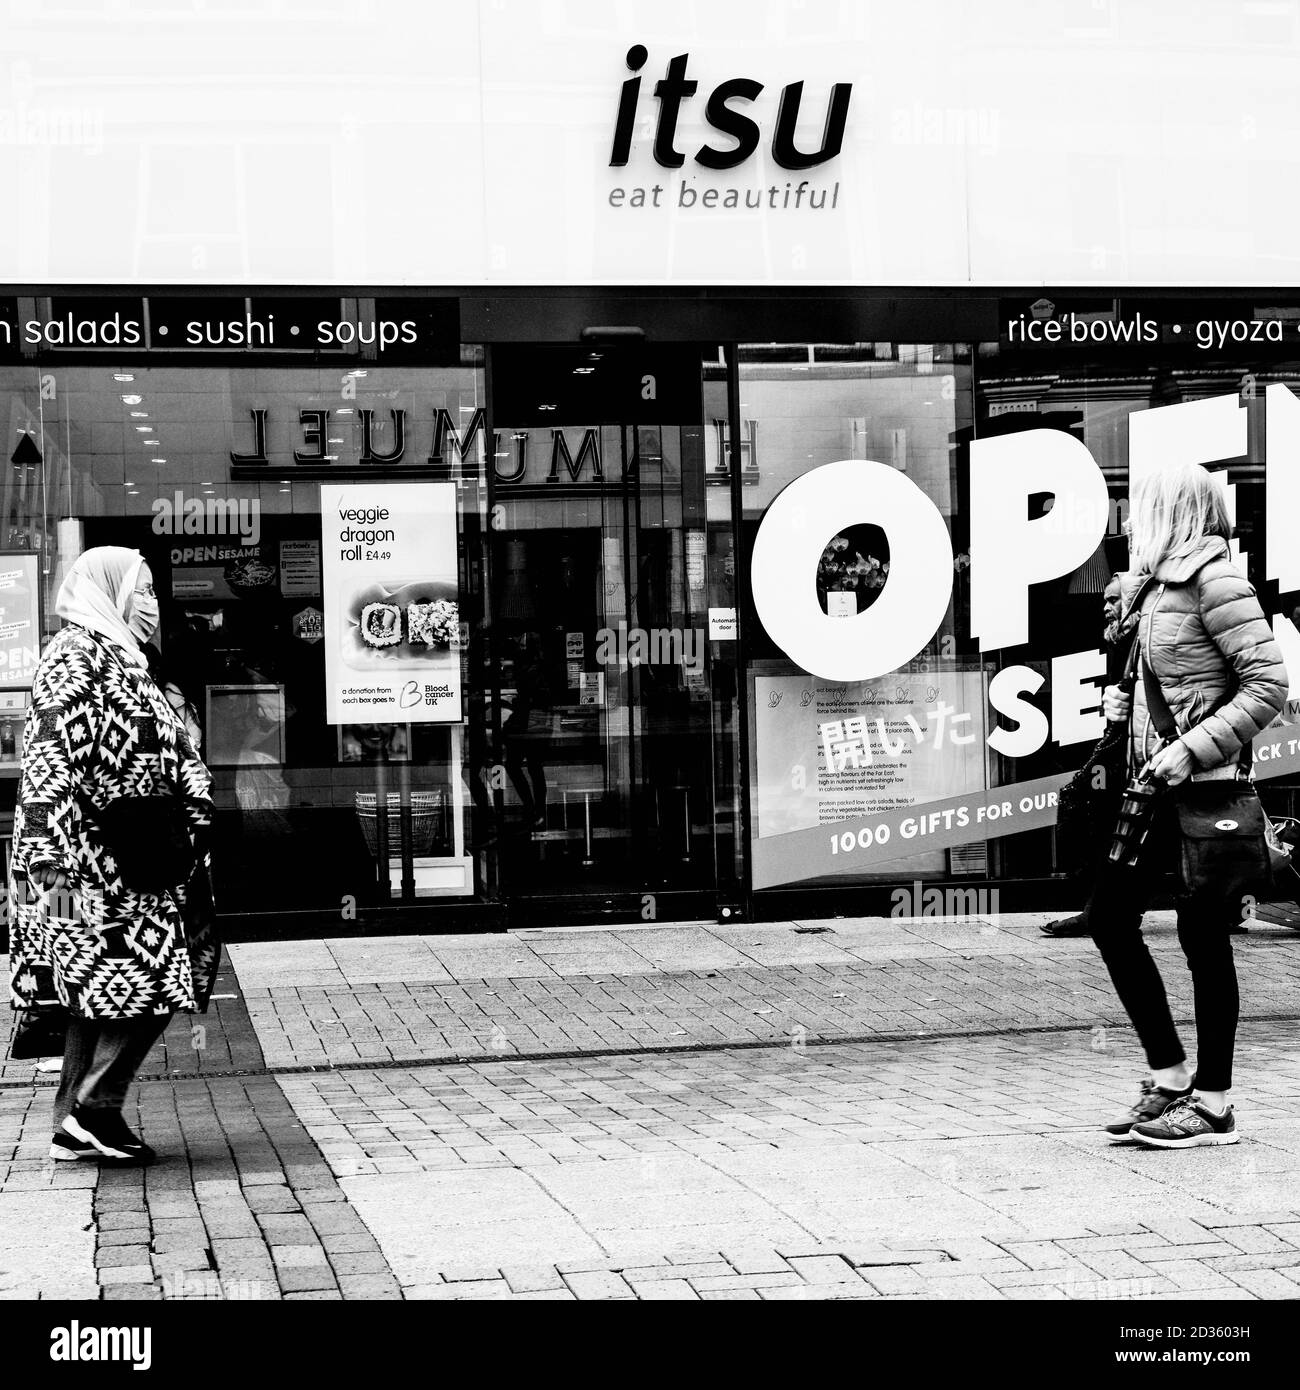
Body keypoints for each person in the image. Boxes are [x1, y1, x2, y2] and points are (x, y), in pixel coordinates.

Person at [1090, 462, 1286, 1148]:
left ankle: (1213, 1102)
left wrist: (1192, 748)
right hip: (1150, 791)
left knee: (1203, 941)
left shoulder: (1218, 581)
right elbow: (1165, 683)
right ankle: (1170, 1076)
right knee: (1109, 918)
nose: (1130, 521)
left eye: (1140, 507)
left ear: (1170, 510)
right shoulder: (1154, 589)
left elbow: (1267, 688)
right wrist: (1120, 707)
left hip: (1202, 794)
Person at [6, 547, 217, 1165]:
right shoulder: (76, 657)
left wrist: (194, 797)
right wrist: (46, 870)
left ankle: (79, 1119)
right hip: (92, 865)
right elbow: (47, 759)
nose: (154, 605)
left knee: (97, 995)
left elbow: (166, 746)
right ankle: (93, 1108)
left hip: (137, 857)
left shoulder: (123, 659)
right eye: (144, 591)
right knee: (149, 984)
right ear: (110, 592)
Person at [1041, 575, 1139, 937]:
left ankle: (1098, 907)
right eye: (1105, 599)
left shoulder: (1144, 638)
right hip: (1123, 743)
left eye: (1114, 600)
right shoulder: (1120, 639)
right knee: (1103, 814)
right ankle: (1101, 905)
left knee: (1099, 811)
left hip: (1140, 747)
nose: (1105, 607)